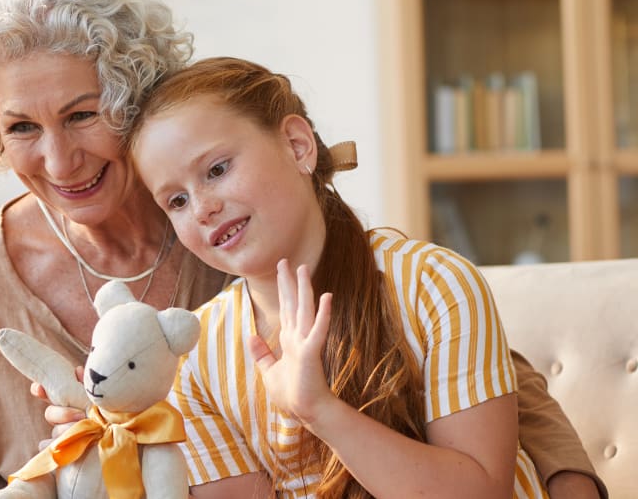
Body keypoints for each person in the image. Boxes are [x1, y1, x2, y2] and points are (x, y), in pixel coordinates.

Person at [0, 0, 603, 499]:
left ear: (135, 103)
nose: (59, 157)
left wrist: (570, 481)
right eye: (19, 128)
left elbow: (476, 368)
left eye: (82, 113)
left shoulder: (240, 232)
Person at [125, 56, 605, 498]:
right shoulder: (196, 359)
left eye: (217, 169)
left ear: (297, 145)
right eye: (177, 201)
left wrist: (319, 410)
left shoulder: (435, 285)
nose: (203, 208)